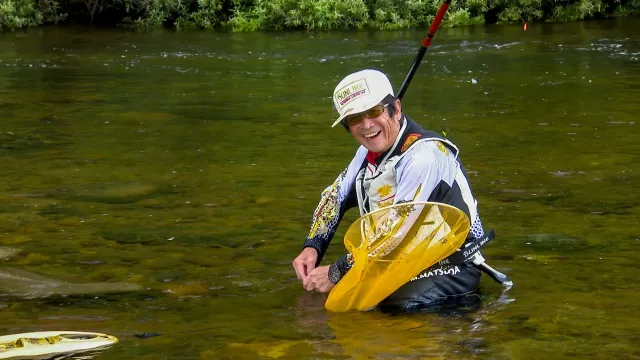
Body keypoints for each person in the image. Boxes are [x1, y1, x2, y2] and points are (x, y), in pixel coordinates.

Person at [292, 69, 498, 313]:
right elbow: (333, 198)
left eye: (374, 111)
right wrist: (313, 246)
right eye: (356, 118)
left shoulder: (423, 156)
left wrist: (336, 270)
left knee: (391, 306)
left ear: (396, 109)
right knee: (341, 302)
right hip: (406, 259)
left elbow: (395, 233)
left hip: (454, 264)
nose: (367, 125)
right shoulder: (366, 153)